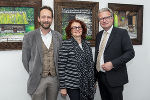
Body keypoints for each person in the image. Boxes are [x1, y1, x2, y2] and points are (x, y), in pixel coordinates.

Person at [22, 6, 62, 100]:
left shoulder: (58, 36)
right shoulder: (29, 36)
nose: (46, 20)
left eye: (49, 17)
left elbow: (60, 58)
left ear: (52, 19)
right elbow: (25, 59)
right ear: (39, 19)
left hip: (54, 79)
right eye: (43, 17)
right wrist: (33, 71)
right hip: (37, 80)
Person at [95, 8, 135, 100]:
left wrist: (112, 64)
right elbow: (98, 56)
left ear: (112, 18)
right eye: (101, 18)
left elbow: (130, 53)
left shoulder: (122, 33)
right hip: (101, 77)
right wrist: (95, 76)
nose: (104, 20)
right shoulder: (99, 35)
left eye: (107, 17)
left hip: (115, 78)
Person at [58, 19, 95, 100]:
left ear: (83, 29)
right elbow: (61, 67)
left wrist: (93, 81)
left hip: (88, 84)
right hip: (73, 85)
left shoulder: (87, 44)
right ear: (70, 31)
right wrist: (63, 87)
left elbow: (91, 64)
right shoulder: (66, 44)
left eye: (79, 27)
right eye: (74, 28)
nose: (77, 29)